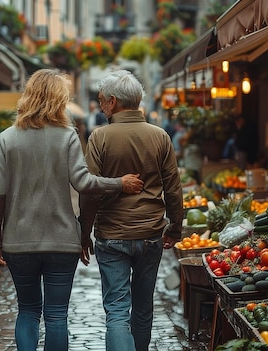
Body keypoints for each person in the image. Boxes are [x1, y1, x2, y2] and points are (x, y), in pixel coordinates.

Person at [0, 69, 144, 351]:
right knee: (57, 315)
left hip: (19, 241)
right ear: (59, 99)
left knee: (28, 311)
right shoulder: (67, 136)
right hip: (61, 241)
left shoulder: (7, 138)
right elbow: (83, 182)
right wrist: (119, 183)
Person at [78, 69, 184, 351]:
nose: (100, 106)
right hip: (151, 234)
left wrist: (84, 232)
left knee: (116, 310)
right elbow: (173, 187)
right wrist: (175, 227)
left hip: (112, 235)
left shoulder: (99, 137)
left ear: (113, 102)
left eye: (102, 100)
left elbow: (90, 191)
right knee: (143, 307)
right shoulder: (160, 136)